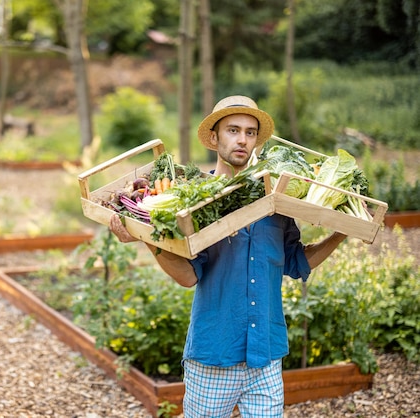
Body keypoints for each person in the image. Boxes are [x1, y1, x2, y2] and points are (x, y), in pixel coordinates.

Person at [109, 95, 347, 417]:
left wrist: (342, 231)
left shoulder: (273, 201)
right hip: (214, 355)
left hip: (266, 355)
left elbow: (296, 261)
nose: (242, 139)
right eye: (233, 130)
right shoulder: (194, 200)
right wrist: (148, 239)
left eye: (250, 132)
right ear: (214, 137)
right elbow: (187, 276)